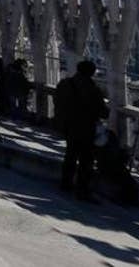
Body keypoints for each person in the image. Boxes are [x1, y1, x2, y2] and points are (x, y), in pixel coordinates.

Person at [54, 59, 108, 201]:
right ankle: (82, 189)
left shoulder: (65, 84)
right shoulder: (93, 89)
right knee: (86, 160)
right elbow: (104, 112)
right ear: (92, 72)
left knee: (70, 155)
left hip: (68, 126)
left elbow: (57, 101)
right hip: (86, 129)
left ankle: (66, 183)